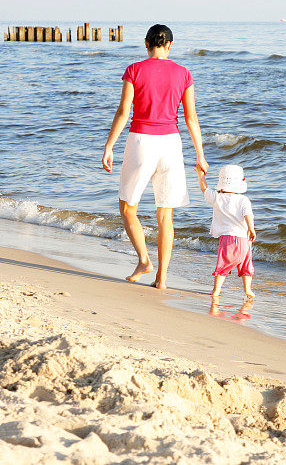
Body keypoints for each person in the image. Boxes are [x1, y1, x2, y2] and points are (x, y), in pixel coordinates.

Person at [102, 24, 208, 289]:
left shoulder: (134, 70)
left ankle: (144, 260)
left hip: (141, 141)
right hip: (171, 145)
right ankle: (162, 278)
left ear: (146, 43)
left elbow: (123, 112)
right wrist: (200, 155)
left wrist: (109, 146)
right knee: (165, 215)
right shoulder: (184, 73)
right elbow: (191, 118)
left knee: (127, 208)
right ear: (170, 45)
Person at [195, 164, 256, 299]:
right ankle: (248, 290)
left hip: (227, 239)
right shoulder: (243, 200)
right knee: (246, 266)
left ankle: (216, 290)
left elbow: (204, 189)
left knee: (222, 266)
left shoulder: (217, 197)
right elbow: (248, 215)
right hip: (244, 240)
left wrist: (201, 176)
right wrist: (251, 229)